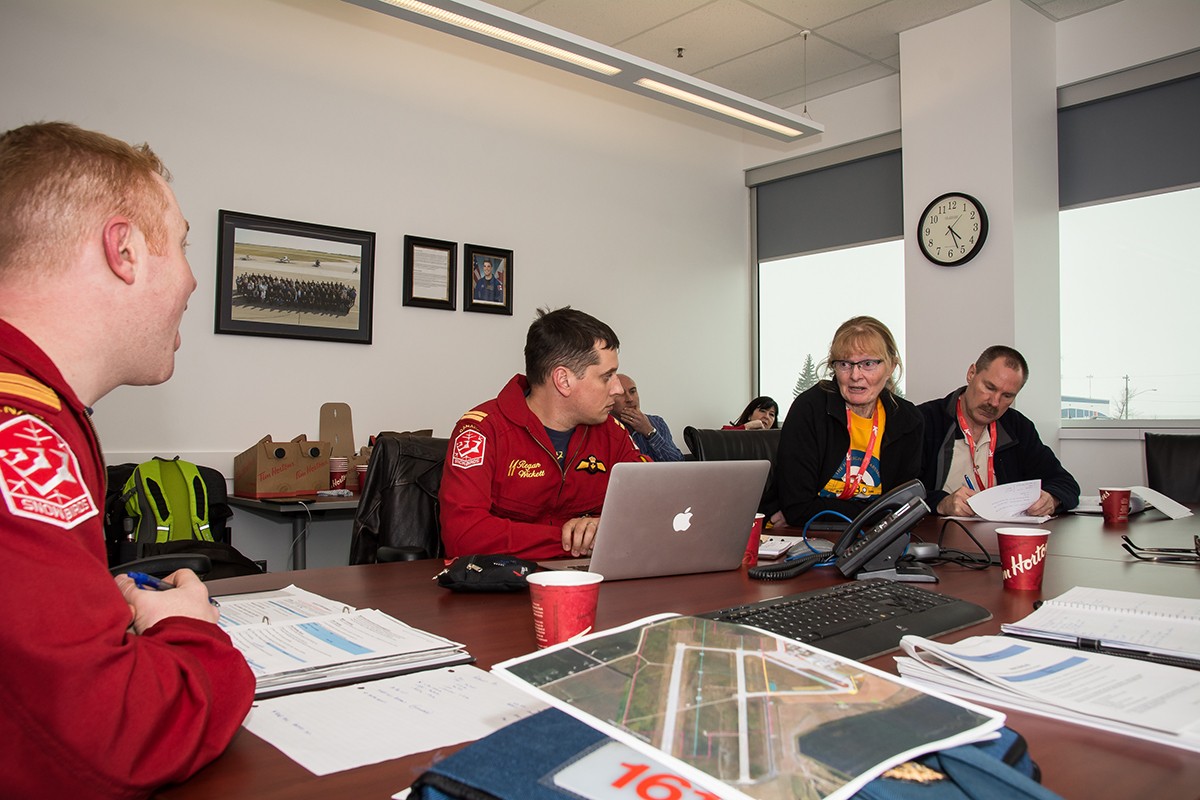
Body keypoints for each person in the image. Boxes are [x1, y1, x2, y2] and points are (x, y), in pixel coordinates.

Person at [0, 122, 254, 797]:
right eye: (184, 244)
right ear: (125, 250)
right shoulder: (16, 429)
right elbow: (114, 737)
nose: (195, 279)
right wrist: (188, 628)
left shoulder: (38, 405)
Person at [439, 307, 647, 560]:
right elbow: (463, 536)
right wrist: (579, 542)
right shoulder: (481, 431)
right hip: (504, 590)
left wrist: (601, 524)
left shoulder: (612, 434)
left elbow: (653, 510)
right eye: (607, 376)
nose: (617, 389)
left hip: (595, 585)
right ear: (564, 380)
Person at [773, 316, 923, 526]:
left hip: (876, 539)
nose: (855, 375)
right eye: (844, 364)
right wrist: (879, 512)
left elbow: (904, 508)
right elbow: (799, 508)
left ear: (891, 367)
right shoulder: (810, 408)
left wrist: (824, 508)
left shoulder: (907, 419)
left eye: (868, 364)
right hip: (809, 536)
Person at [919, 345, 1080, 517]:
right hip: (937, 535)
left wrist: (1052, 499)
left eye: (1007, 396)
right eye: (989, 387)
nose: (994, 402)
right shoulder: (924, 421)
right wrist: (942, 503)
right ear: (971, 373)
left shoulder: (1018, 427)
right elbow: (899, 493)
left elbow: (1066, 483)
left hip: (1000, 536)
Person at [610, 373, 683, 462]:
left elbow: (677, 462)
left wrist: (650, 432)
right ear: (609, 399)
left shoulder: (657, 422)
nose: (630, 399)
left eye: (632, 391)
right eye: (621, 394)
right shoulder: (605, 428)